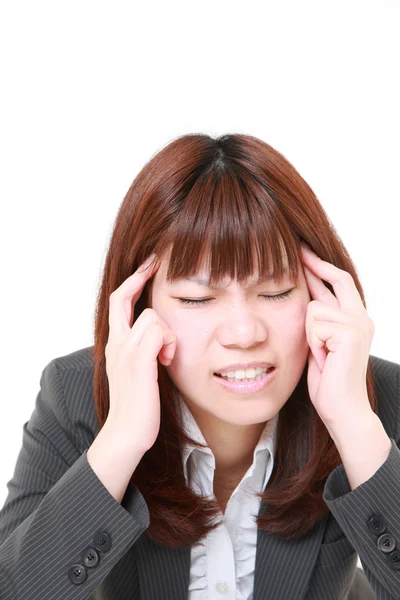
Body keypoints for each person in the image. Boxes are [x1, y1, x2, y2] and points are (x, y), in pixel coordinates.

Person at [0, 133, 397, 599]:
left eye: (275, 292)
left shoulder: (368, 397)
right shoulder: (75, 396)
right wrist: (121, 441)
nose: (245, 334)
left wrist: (354, 427)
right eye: (197, 298)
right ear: (139, 306)